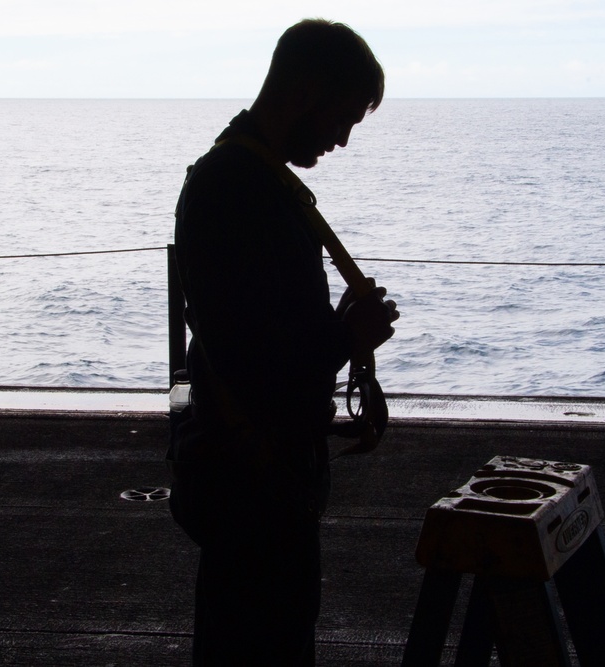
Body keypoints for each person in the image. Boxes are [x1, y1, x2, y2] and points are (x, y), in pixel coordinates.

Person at [168, 18, 399, 666]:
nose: (343, 139)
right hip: (251, 488)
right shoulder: (233, 187)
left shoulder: (253, 182)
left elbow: (260, 330)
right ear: (304, 90)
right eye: (343, 117)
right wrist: (344, 335)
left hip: (262, 481)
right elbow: (250, 357)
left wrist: (339, 331)